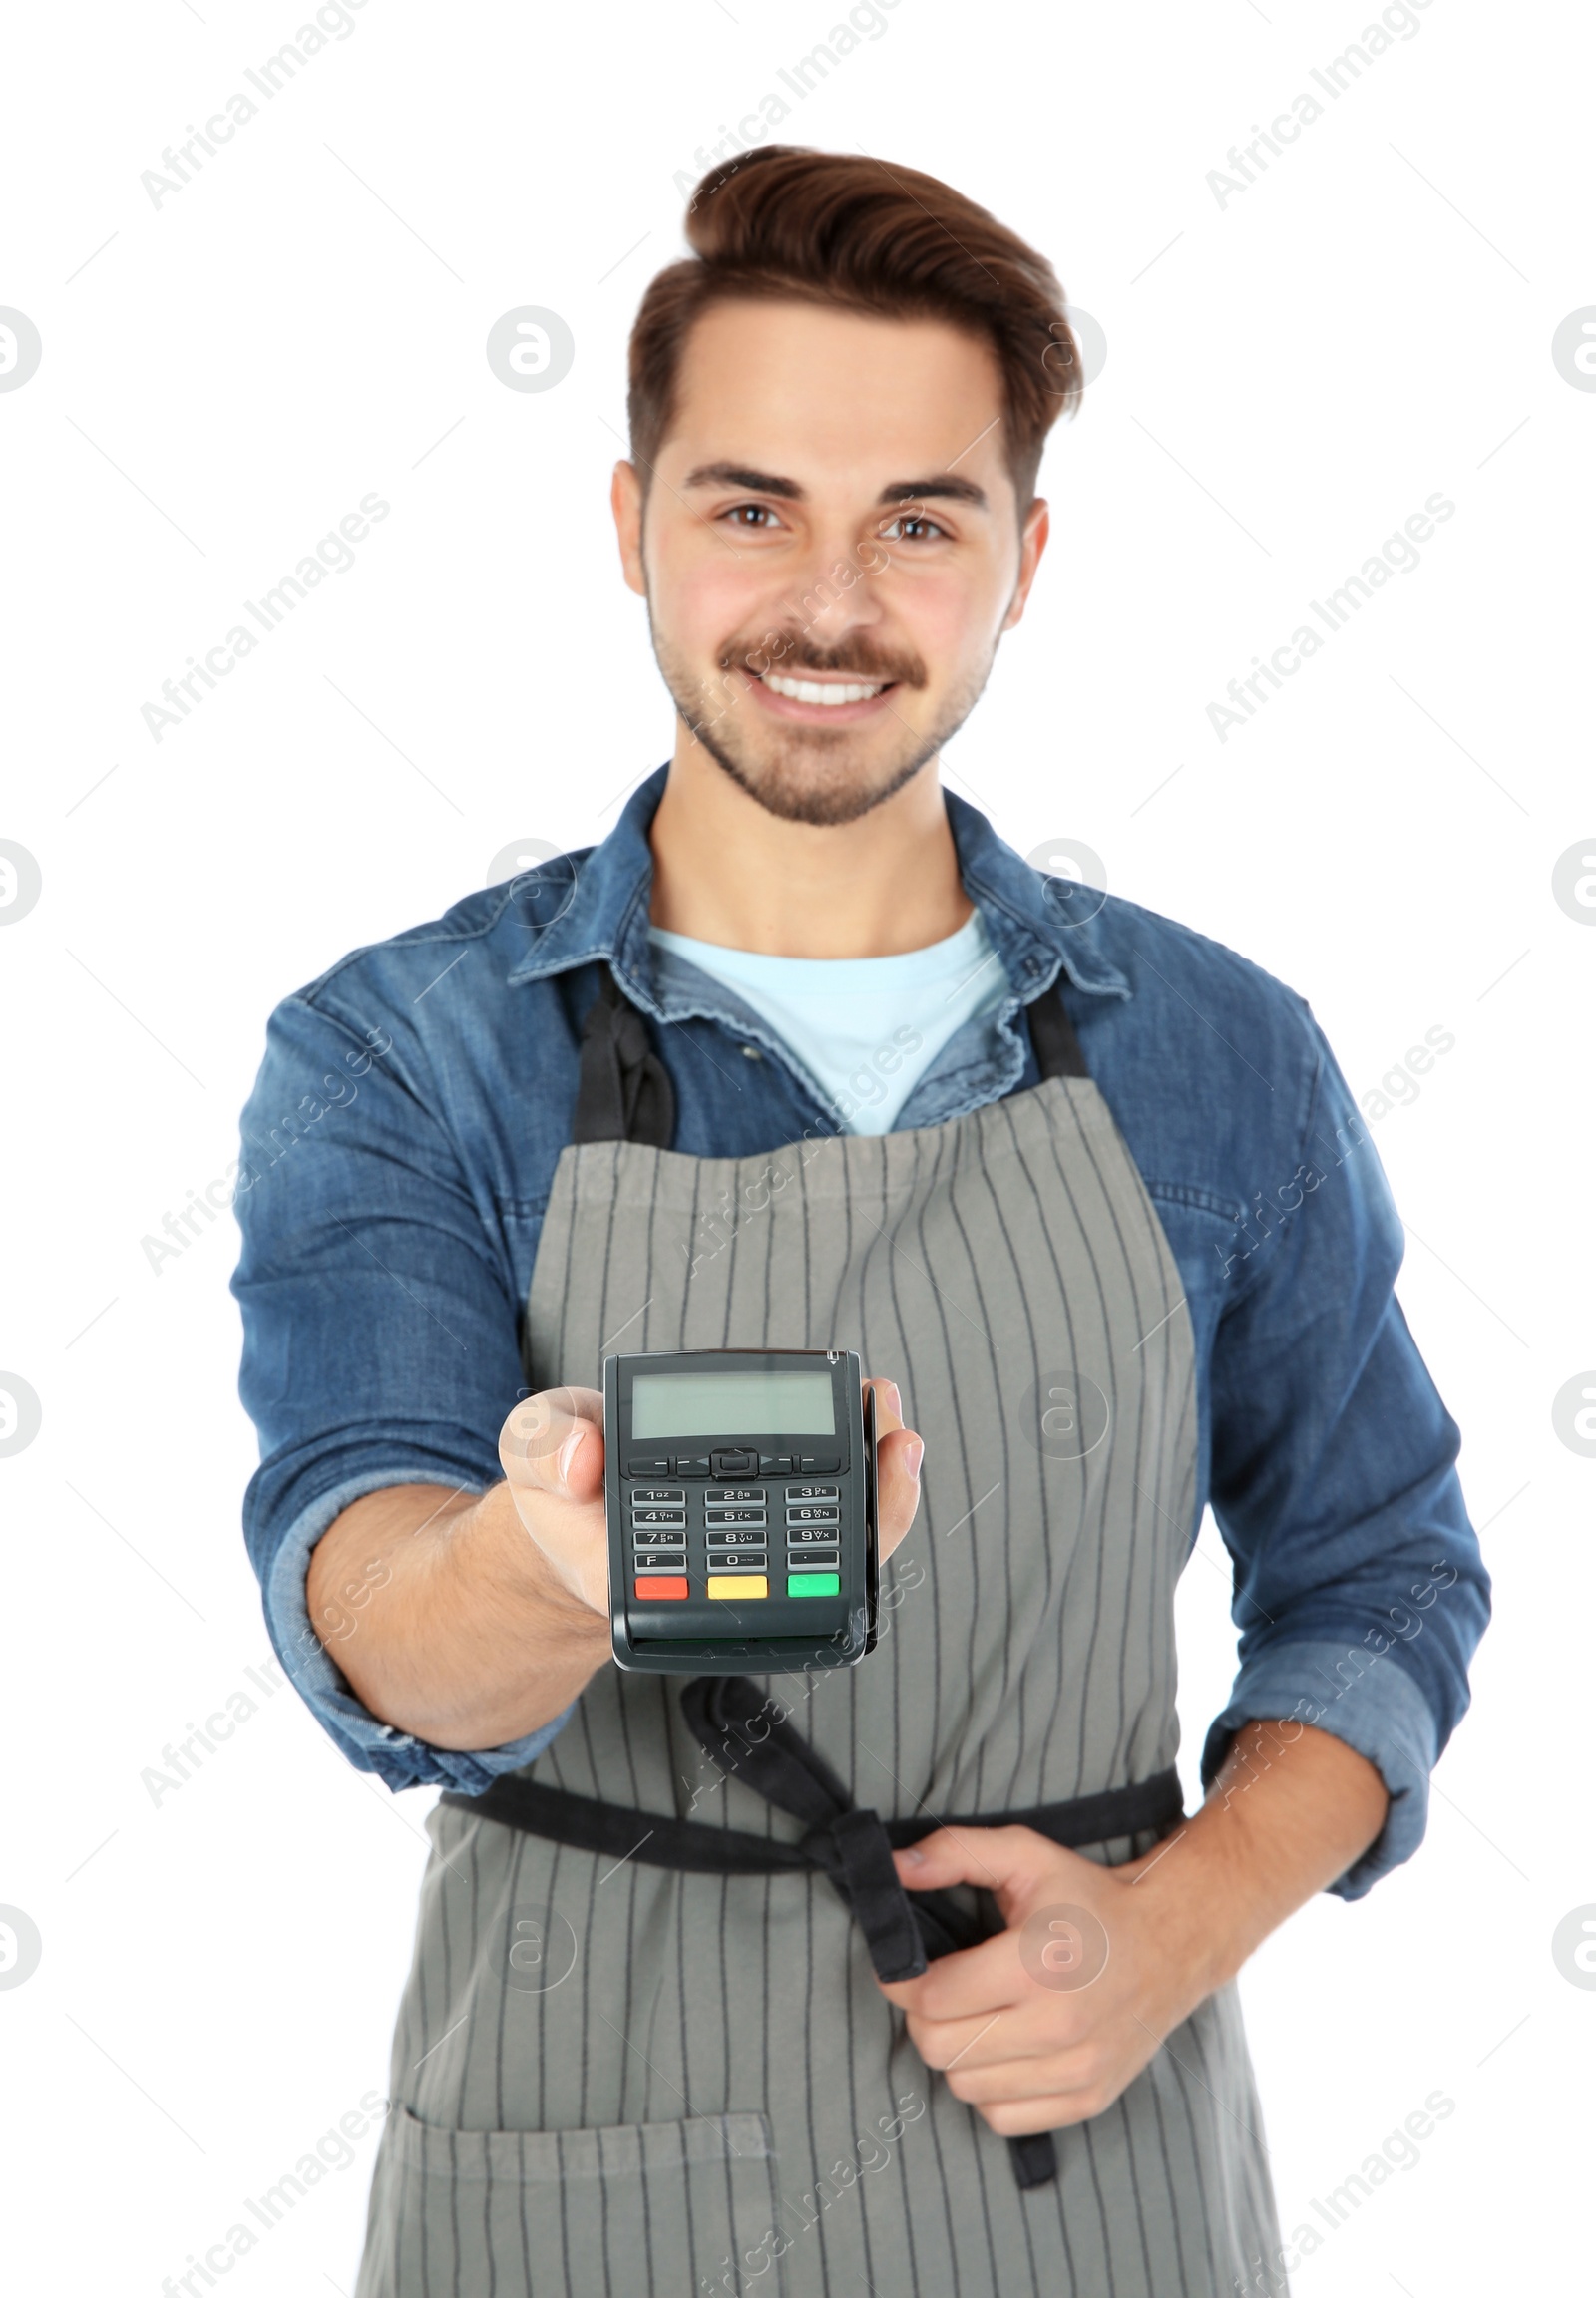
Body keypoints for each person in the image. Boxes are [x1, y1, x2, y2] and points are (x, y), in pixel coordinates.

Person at [231, 145, 1489, 2298]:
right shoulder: (404, 1050)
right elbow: (370, 1614)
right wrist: (548, 1566)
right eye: (749, 509)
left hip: (1085, 2160)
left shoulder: (1213, 1047)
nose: (829, 603)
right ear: (630, 525)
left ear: (1022, 559)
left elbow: (1380, 1570)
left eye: (918, 521)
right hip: (575, 2151)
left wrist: (1171, 1928)